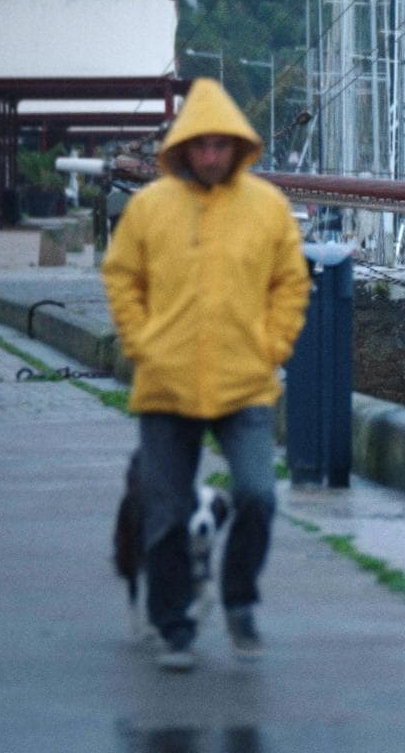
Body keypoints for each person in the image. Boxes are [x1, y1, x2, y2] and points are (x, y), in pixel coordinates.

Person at [102, 78, 311, 671]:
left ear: (236, 146)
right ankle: (174, 626)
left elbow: (291, 281)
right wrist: (142, 341)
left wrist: (273, 345)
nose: (212, 155)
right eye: (203, 145)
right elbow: (122, 276)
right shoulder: (149, 209)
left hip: (244, 382)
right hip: (166, 385)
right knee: (164, 512)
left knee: (258, 495)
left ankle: (239, 596)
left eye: (223, 145)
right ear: (185, 147)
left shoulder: (267, 208)